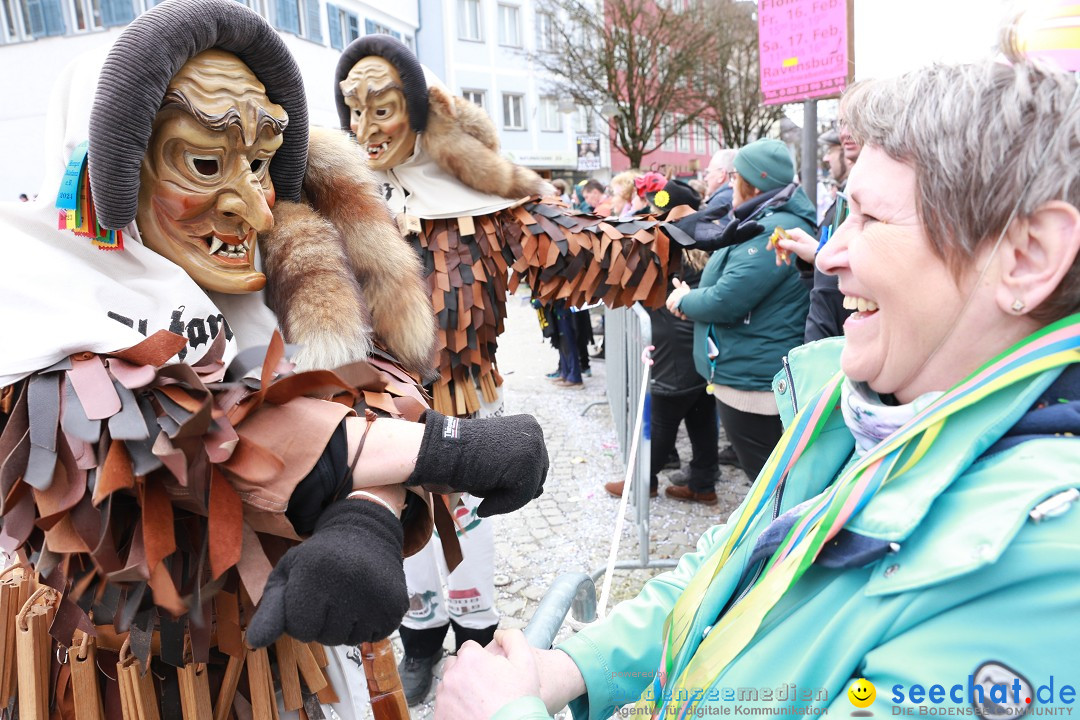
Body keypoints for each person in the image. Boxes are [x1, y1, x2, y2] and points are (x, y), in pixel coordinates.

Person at [434, 51, 1080, 719]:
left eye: (872, 219)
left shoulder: (1049, 570)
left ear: (1027, 257)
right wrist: (571, 664)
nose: (826, 255)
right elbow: (734, 569)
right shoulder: (861, 413)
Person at [0, 2, 548, 715]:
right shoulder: (38, 306)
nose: (257, 210)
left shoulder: (261, 294)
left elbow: (350, 385)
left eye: (259, 166)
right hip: (113, 683)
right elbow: (177, 438)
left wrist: (365, 518)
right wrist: (440, 446)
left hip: (282, 677)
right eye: (204, 161)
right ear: (108, 162)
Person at [334, 35, 674, 705]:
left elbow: (578, 245)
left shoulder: (476, 200)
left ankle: (474, 633)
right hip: (378, 411)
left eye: (382, 110)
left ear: (417, 110)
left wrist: (669, 242)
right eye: (353, 111)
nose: (364, 130)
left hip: (460, 405)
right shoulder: (340, 200)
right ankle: (421, 637)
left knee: (466, 526)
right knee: (399, 523)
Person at [667, 139, 813, 481]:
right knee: (766, 477)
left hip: (754, 381)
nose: (731, 183)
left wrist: (684, 300)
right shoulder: (763, 218)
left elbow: (728, 299)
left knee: (769, 481)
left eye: (736, 177)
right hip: (747, 370)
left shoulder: (775, 227)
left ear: (752, 183)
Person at [603, 249, 720, 503]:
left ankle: (642, 482)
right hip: (698, 347)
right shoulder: (706, 246)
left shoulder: (664, 252)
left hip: (673, 353)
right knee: (702, 418)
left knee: (661, 422)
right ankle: (703, 484)